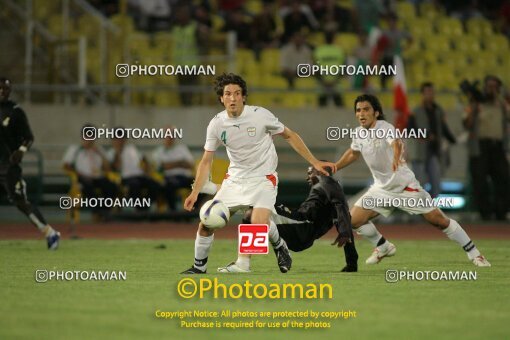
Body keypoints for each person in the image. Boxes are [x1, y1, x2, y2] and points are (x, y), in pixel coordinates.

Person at [181, 73, 335, 274]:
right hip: (234, 181)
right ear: (221, 98)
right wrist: (195, 193)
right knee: (206, 223)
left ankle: (243, 264)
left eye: (237, 93)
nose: (233, 98)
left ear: (244, 96)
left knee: (257, 219)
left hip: (264, 178)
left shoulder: (260, 115)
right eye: (228, 94)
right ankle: (199, 267)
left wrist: (314, 161)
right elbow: (206, 161)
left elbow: (290, 135)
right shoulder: (216, 124)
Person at [334, 94, 491, 267]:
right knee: (352, 221)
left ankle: (475, 254)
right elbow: (353, 153)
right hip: (381, 189)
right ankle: (383, 246)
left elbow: (396, 143)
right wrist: (335, 167)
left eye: (366, 109)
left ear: (376, 112)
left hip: (404, 186)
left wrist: (396, 156)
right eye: (358, 110)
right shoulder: (358, 133)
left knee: (438, 220)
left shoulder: (384, 127)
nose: (361, 113)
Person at [242, 165, 358, 272]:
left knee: (255, 206)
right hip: (302, 234)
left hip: (301, 226)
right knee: (250, 214)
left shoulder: (327, 181)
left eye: (310, 173)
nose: (307, 178)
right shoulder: (328, 199)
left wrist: (344, 231)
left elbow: (341, 206)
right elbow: (342, 214)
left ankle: (247, 261)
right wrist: (351, 262)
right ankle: (247, 261)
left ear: (322, 172)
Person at [0, 77, 60, 249]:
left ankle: (50, 233)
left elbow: (28, 138)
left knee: (21, 202)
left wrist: (21, 151)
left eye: (5, 89)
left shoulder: (15, 111)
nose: (2, 92)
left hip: (8, 167)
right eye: (0, 88)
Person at [463, 75, 509, 220]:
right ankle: (486, 213)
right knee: (480, 181)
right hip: (480, 147)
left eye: (495, 87)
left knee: (504, 179)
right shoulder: (476, 104)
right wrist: (475, 107)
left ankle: (501, 212)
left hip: (497, 146)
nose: (492, 89)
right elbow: (467, 124)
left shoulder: (502, 105)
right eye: (489, 86)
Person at [407, 82, 456, 198]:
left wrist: (452, 139)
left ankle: (430, 209)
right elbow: (409, 130)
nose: (430, 95)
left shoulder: (438, 110)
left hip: (434, 151)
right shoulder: (415, 111)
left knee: (436, 182)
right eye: (427, 92)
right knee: (419, 184)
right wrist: (425, 135)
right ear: (422, 94)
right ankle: (420, 209)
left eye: (431, 92)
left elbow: (443, 128)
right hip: (420, 153)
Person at [62, 124, 118, 219]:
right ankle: (96, 212)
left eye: (92, 136)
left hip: (97, 177)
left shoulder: (99, 150)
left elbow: (108, 168)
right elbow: (66, 166)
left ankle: (104, 211)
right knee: (88, 187)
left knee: (111, 186)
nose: (90, 139)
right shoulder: (75, 149)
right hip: (82, 177)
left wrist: (99, 154)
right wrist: (79, 174)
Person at [107, 129, 160, 211]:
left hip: (139, 175)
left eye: (122, 138)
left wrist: (147, 169)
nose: (120, 141)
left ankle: (144, 208)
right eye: (117, 139)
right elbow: (115, 167)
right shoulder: (111, 152)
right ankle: (139, 209)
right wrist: (118, 152)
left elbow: (143, 159)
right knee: (135, 185)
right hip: (125, 178)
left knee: (155, 185)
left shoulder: (131, 149)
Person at [151, 126, 195, 211]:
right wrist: (180, 163)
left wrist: (170, 165)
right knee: (169, 186)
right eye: (167, 134)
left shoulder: (182, 149)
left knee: (202, 185)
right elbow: (160, 167)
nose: (170, 137)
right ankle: (173, 213)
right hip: (170, 178)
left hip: (185, 177)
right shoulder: (158, 152)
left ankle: (190, 211)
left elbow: (190, 165)